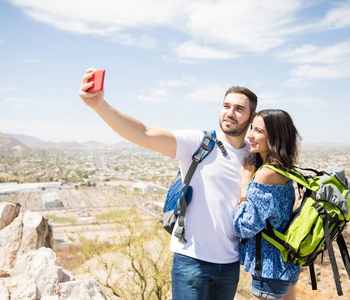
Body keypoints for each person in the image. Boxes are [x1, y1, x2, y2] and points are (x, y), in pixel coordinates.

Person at [79, 68, 258, 300]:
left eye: (239, 108)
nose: (230, 113)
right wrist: (100, 106)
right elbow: (144, 133)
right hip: (191, 260)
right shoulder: (200, 142)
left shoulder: (254, 157)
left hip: (230, 264)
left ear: (252, 118)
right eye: (226, 106)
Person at [233, 109, 302, 300]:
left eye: (258, 131)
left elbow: (246, 227)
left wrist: (245, 184)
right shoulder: (284, 168)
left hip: (270, 267)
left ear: (275, 137)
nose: (250, 135)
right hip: (285, 260)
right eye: (251, 129)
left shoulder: (265, 175)